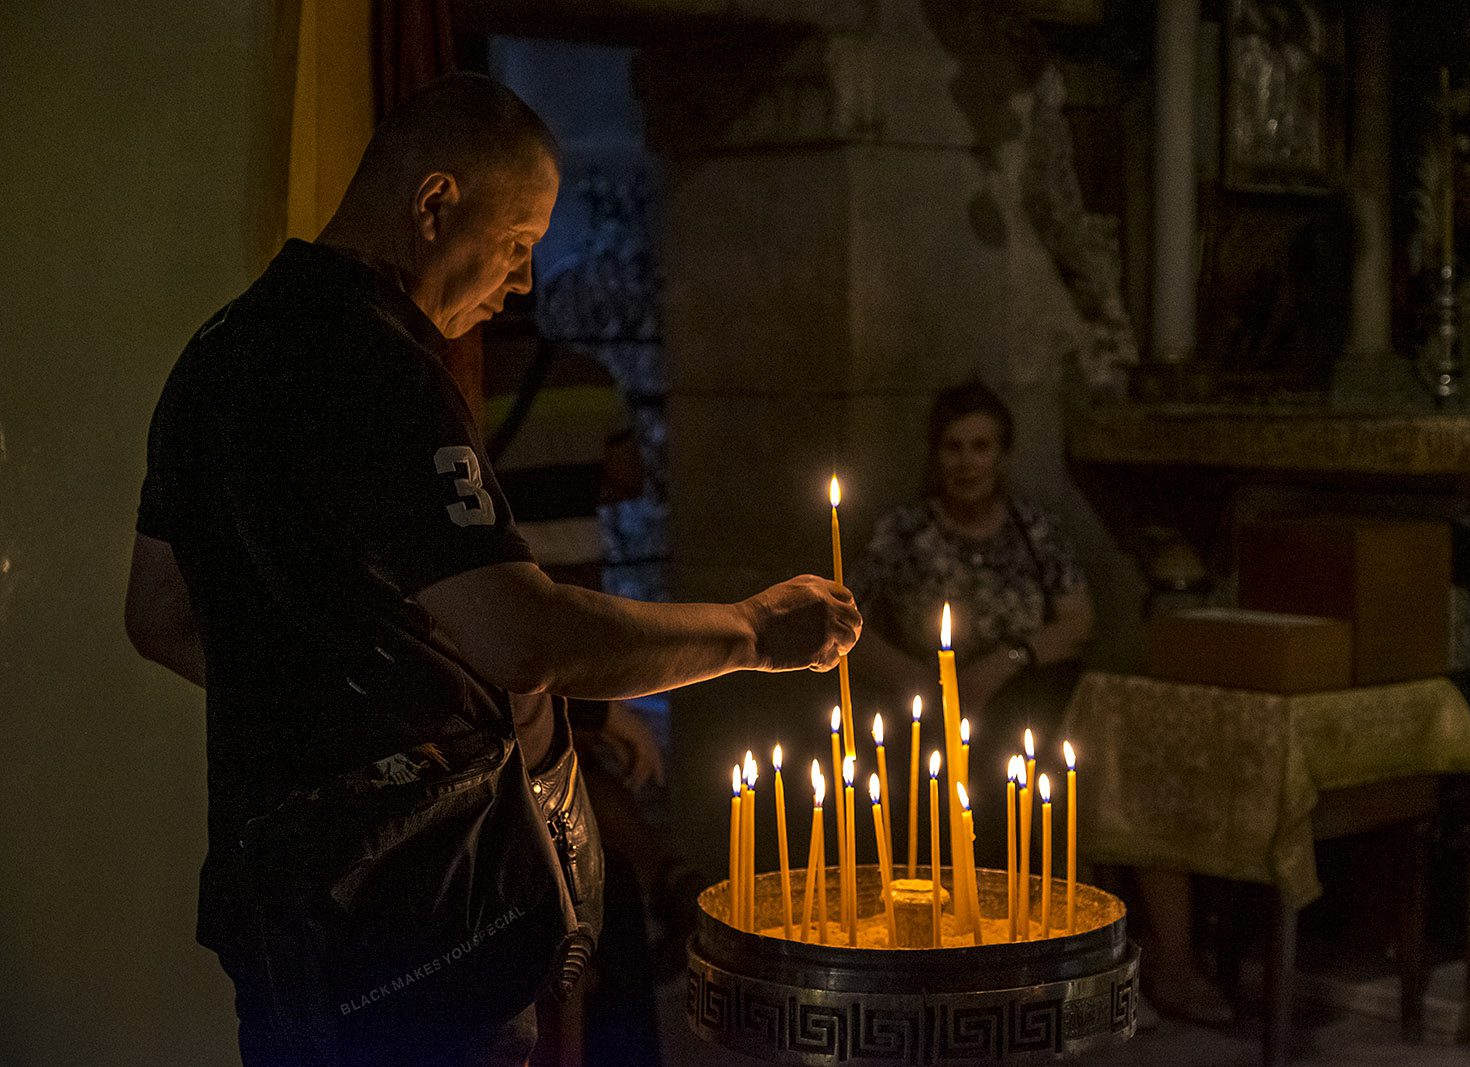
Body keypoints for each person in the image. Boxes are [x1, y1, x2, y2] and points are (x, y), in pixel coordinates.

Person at [123, 73, 860, 1067]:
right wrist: (754, 631)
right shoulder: (381, 366)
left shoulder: (213, 354)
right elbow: (524, 636)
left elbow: (160, 614)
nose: (518, 284)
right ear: (435, 205)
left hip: (281, 898)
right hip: (418, 907)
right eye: (516, 244)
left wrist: (325, 694)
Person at [848, 380, 1092, 844]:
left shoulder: (1034, 530)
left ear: (1003, 456)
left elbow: (1078, 623)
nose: (966, 463)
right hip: (924, 716)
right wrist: (924, 684)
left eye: (981, 447)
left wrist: (1003, 665)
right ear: (935, 455)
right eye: (953, 447)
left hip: (1020, 709)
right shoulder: (903, 533)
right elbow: (844, 627)